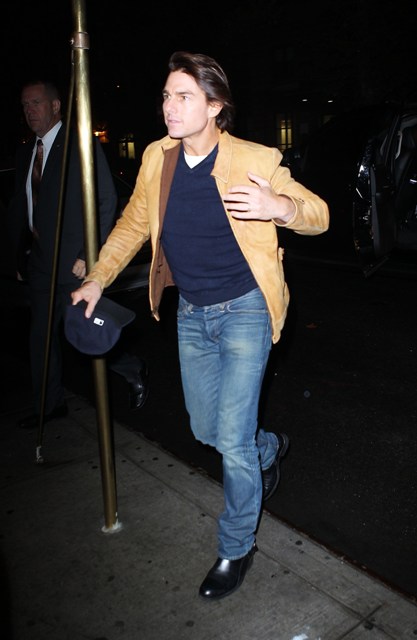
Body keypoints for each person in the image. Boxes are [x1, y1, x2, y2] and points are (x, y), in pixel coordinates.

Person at [71, 52, 329, 600]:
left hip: (245, 310)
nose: (169, 106)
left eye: (183, 96)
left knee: (230, 440)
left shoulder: (254, 158)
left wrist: (278, 205)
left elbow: (319, 215)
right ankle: (266, 448)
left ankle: (236, 546)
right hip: (191, 313)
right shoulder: (157, 158)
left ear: (214, 107)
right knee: (207, 429)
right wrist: (97, 278)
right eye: (167, 95)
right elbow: (133, 224)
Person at [7, 80, 148, 429]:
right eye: (25, 105)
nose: (29, 111)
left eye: (36, 103)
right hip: (40, 262)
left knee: (85, 333)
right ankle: (49, 405)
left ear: (56, 106)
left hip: (74, 262)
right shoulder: (26, 152)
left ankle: (131, 366)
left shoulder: (78, 144)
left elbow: (105, 199)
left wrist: (89, 252)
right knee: (40, 338)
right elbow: (21, 207)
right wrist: (17, 256)